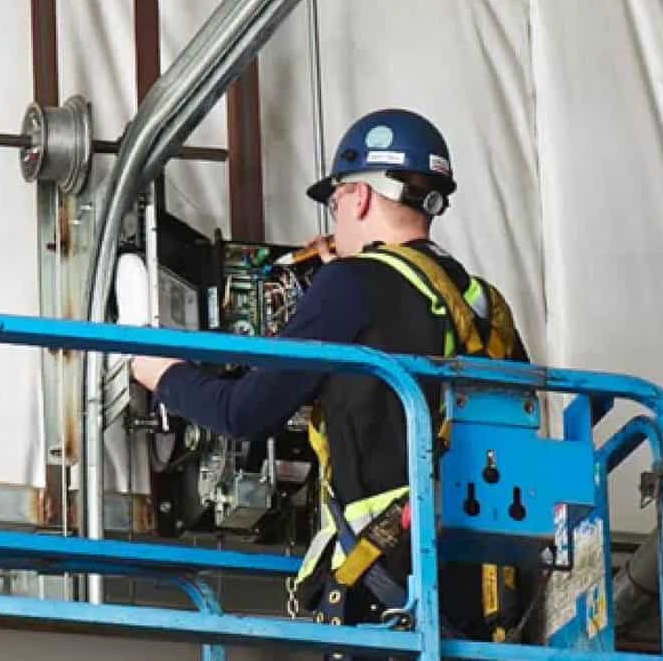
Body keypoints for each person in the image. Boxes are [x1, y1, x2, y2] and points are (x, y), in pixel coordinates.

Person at [132, 108, 529, 644]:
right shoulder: (484, 305)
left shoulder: (352, 284)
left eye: (334, 200)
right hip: (492, 595)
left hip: (387, 592)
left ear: (359, 196)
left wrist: (160, 371)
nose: (331, 220)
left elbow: (242, 413)